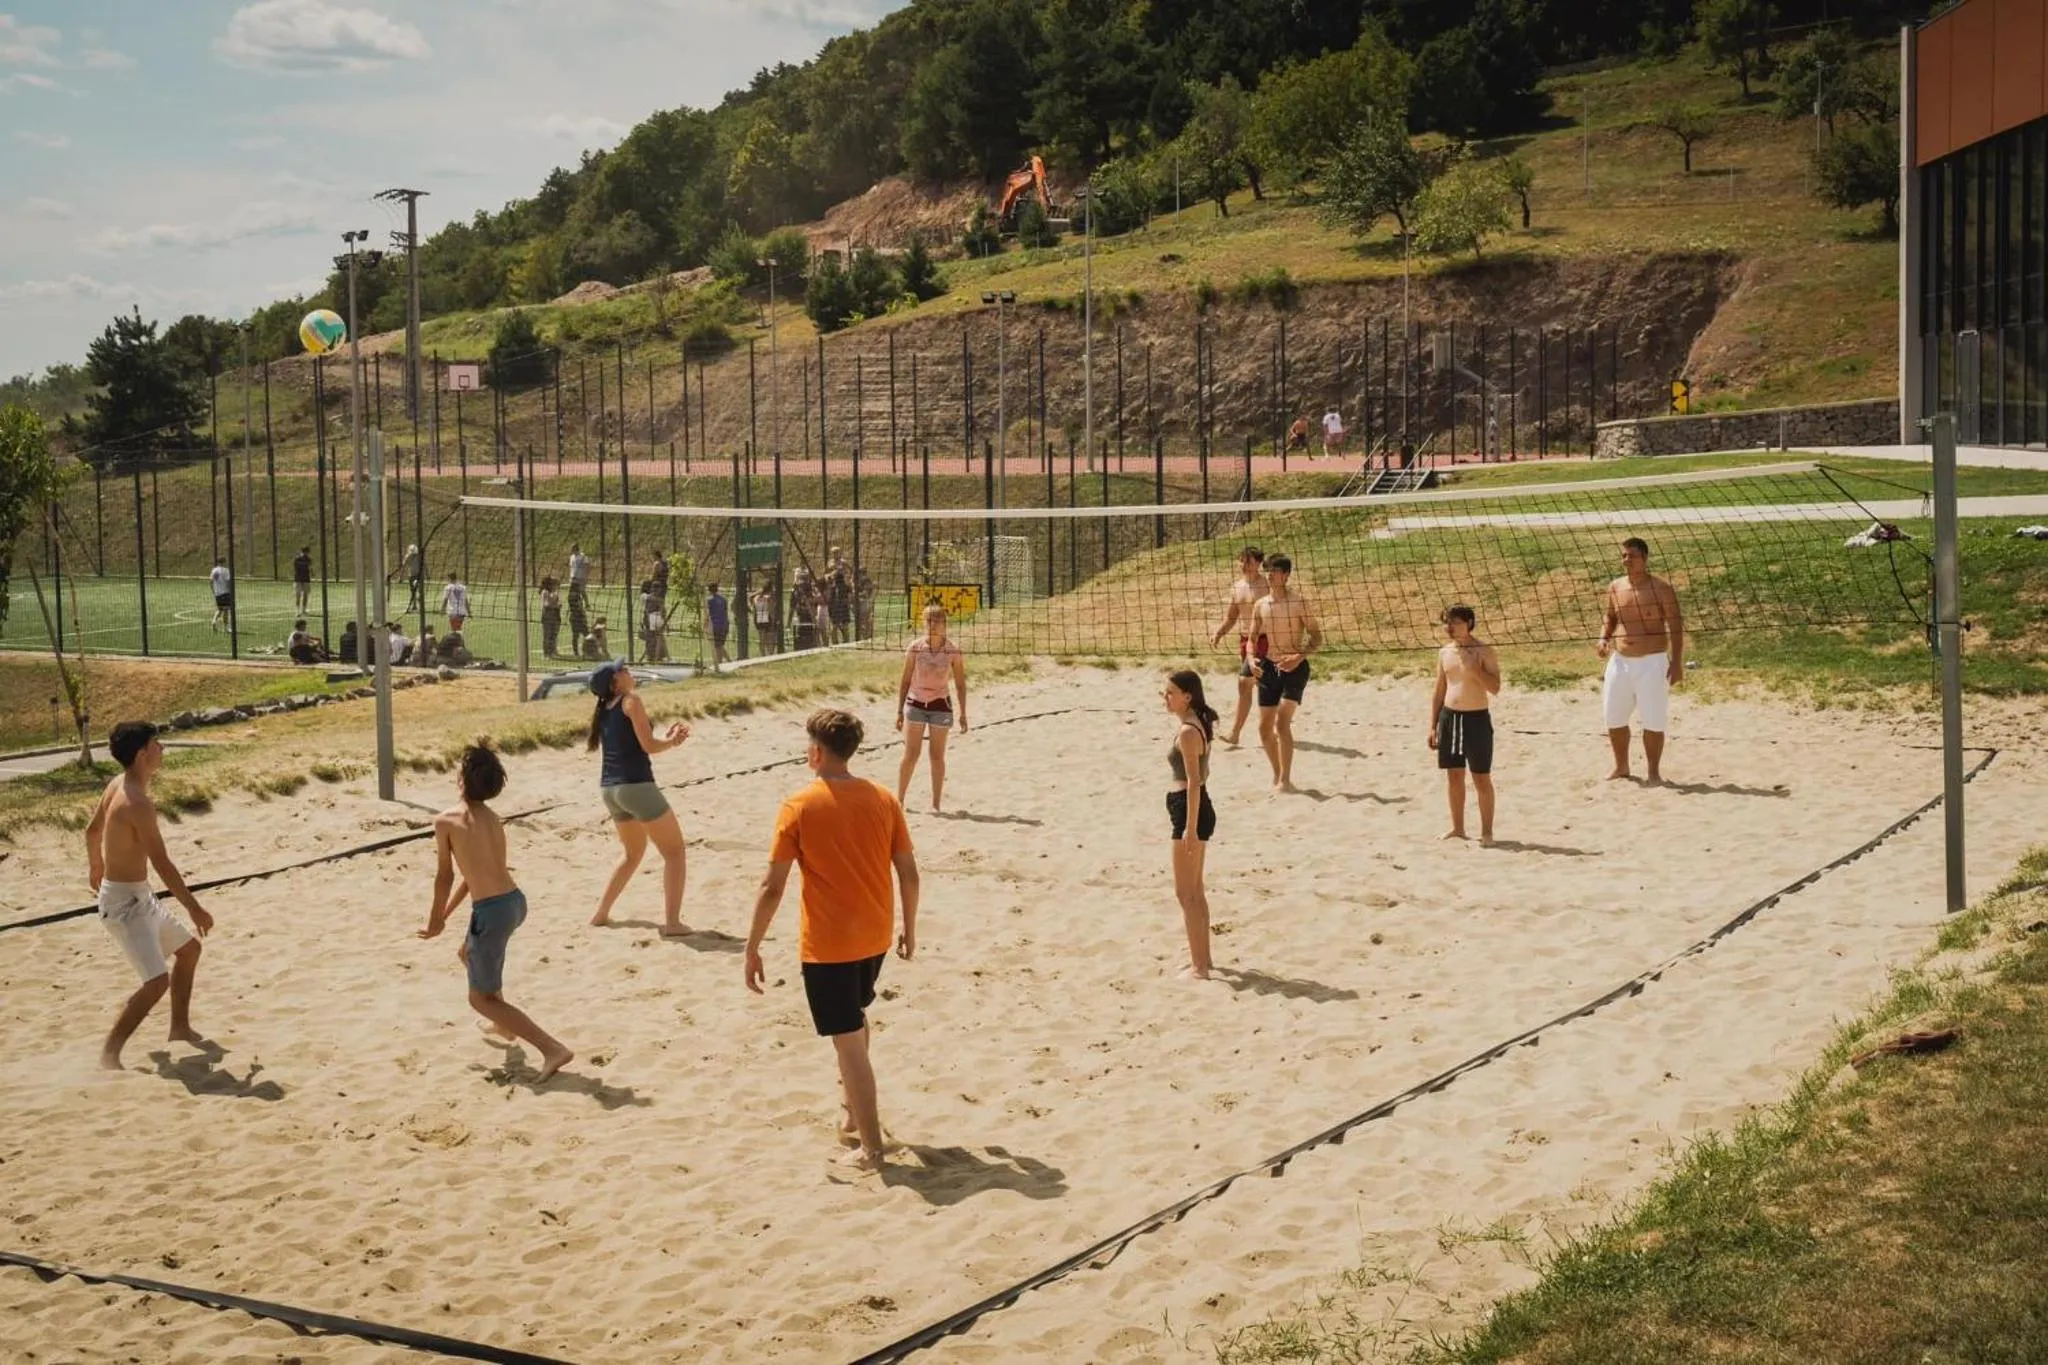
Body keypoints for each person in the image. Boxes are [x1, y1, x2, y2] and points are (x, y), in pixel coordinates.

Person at [744, 709, 919, 1175]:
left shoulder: (799, 805)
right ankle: (850, 1109)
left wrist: (752, 945)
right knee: (856, 1023)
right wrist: (911, 927)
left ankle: (872, 1149)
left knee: (847, 1042)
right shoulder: (883, 797)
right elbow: (908, 871)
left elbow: (772, 887)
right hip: (875, 935)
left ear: (816, 752)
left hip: (829, 945)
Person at [417, 743, 573, 1083]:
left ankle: (551, 1049)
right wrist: (445, 916)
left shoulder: (445, 821)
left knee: (479, 999)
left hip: (492, 912)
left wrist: (434, 921)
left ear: (460, 779)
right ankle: (503, 1026)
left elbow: (445, 876)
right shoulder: (492, 818)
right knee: (466, 953)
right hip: (514, 902)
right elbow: (474, 876)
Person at [85, 721, 214, 1070]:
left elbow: (92, 830)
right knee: (156, 982)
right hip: (124, 906)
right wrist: (195, 908)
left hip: (138, 897)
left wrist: (95, 866)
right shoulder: (137, 802)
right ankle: (108, 1055)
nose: (162, 749)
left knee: (189, 951)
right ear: (143, 754)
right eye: (157, 744)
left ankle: (180, 1029)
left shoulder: (118, 784)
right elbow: (161, 862)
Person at [587, 659, 692, 935]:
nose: (627, 671)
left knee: (633, 854)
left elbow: (634, 743)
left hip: (610, 789)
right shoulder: (631, 700)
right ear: (615, 682)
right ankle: (672, 923)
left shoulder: (605, 708)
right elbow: (648, 746)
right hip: (635, 786)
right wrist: (673, 742)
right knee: (675, 852)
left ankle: (600, 914)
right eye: (622, 670)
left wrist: (665, 739)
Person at [1598, 537, 1685, 784]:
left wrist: (1677, 662)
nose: (1626, 560)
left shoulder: (1661, 589)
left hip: (1652, 663)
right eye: (1624, 555)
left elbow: (1676, 626)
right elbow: (1610, 615)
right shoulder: (1615, 586)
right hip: (1620, 661)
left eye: (1632, 556)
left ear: (1644, 559)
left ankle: (1653, 772)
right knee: (1613, 718)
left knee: (1653, 720)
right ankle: (1621, 767)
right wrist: (1603, 638)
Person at [1247, 553, 1321, 794]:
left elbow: (1316, 636)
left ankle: (1286, 779)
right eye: (1268, 570)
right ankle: (1278, 773)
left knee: (1282, 722)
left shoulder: (1298, 602)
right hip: (1269, 666)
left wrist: (1298, 657)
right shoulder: (1261, 604)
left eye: (1275, 571)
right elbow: (1251, 639)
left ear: (1286, 575)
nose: (1270, 574)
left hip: (1295, 667)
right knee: (1263, 729)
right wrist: (1251, 659)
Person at [1162, 671, 1218, 981]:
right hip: (1189, 808)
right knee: (1195, 891)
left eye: (1170, 693)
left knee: (1186, 894)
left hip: (1189, 810)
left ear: (1188, 696)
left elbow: (1195, 782)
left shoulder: (1188, 731)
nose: (1165, 698)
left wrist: (1191, 829)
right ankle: (1204, 960)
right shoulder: (1198, 721)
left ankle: (1199, 968)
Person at [1429, 605, 1501, 844]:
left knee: (1481, 777)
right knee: (1454, 776)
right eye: (1447, 622)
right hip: (1450, 718)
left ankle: (1487, 832)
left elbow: (1495, 687)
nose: (1450, 627)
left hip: (1476, 719)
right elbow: (1439, 690)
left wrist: (1475, 670)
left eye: (1456, 622)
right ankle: (1458, 828)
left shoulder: (1484, 651)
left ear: (1469, 623)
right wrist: (1433, 725)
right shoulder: (1445, 652)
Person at [895, 603, 967, 813]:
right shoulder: (915, 647)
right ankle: (899, 800)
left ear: (945, 624)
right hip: (915, 703)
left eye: (937, 621)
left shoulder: (952, 650)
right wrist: (899, 710)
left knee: (936, 756)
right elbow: (905, 679)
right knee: (911, 754)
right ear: (923, 623)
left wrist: (963, 713)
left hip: (940, 705)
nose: (932, 625)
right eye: (928, 621)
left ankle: (935, 804)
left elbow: (961, 684)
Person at [1208, 546, 1268, 748]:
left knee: (1245, 682)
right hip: (1245, 641)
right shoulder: (1237, 587)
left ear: (1258, 563)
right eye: (1242, 561)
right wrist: (1219, 632)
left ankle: (1235, 733)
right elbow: (1231, 617)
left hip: (1264, 640)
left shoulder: (1267, 586)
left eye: (1249, 561)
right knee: (1259, 686)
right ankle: (1273, 727)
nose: (1244, 565)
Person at [567, 544, 590, 644]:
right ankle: (574, 606)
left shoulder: (583, 556)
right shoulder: (572, 557)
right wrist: (570, 577)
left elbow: (587, 566)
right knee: (572, 594)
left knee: (582, 591)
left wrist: (585, 576)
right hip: (573, 577)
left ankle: (587, 603)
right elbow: (571, 567)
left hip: (581, 577)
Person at [640, 580, 666, 664]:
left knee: (651, 638)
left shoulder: (647, 598)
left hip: (650, 619)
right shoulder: (659, 599)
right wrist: (665, 621)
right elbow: (663, 611)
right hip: (656, 618)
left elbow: (646, 610)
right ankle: (657, 656)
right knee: (658, 638)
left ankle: (651, 656)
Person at [395, 542, 422, 615]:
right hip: (412, 576)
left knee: (415, 591)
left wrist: (400, 577)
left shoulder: (417, 557)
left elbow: (424, 566)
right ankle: (414, 606)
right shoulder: (411, 557)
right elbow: (403, 567)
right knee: (413, 592)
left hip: (417, 576)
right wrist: (400, 577)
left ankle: (411, 606)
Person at [827, 567, 853, 645]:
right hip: (841, 610)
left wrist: (831, 610)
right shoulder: (844, 587)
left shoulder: (835, 588)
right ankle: (846, 643)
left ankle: (836, 644)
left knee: (835, 628)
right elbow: (850, 599)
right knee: (843, 628)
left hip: (838, 610)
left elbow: (831, 600)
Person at [539, 577, 563, 659]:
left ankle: (553, 650)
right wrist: (556, 606)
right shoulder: (545, 592)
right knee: (547, 635)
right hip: (548, 615)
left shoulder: (555, 592)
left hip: (556, 615)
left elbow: (559, 601)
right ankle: (546, 653)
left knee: (554, 634)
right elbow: (546, 604)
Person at [707, 582, 730, 669]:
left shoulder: (709, 600)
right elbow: (725, 612)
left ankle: (720, 664)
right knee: (720, 644)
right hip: (724, 623)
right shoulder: (724, 599)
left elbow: (707, 613)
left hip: (714, 624)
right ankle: (728, 660)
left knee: (717, 645)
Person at [752, 580, 778, 654]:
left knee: (762, 638)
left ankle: (763, 655)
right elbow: (771, 610)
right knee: (770, 637)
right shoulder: (770, 598)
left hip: (759, 618)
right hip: (767, 617)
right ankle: (770, 653)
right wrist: (772, 621)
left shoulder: (756, 598)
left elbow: (754, 607)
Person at [209, 557, 233, 633]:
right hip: (225, 593)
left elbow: (210, 581)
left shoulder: (214, 570)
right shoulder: (225, 570)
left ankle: (214, 621)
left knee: (220, 609)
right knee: (226, 610)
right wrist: (230, 591)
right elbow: (228, 581)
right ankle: (226, 628)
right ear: (223, 562)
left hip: (217, 593)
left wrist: (213, 590)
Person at [855, 568, 877, 641]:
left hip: (865, 602)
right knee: (864, 621)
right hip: (865, 602)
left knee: (865, 621)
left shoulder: (866, 580)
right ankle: (867, 636)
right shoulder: (862, 580)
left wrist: (856, 595)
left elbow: (866, 593)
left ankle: (867, 636)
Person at [292, 545, 313, 612]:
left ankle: (301, 610)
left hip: (301, 579)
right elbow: (310, 568)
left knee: (303, 595)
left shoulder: (302, 558)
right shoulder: (300, 558)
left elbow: (310, 568)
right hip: (302, 579)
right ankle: (299, 610)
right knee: (301, 595)